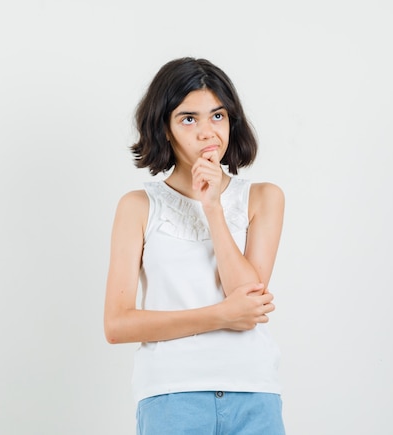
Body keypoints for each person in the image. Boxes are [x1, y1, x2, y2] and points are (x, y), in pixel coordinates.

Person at [103, 57, 286, 434]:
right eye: (189, 119)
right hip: (171, 397)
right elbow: (117, 324)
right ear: (165, 129)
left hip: (253, 393)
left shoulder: (264, 198)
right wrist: (220, 315)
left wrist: (213, 207)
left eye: (217, 117)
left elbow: (246, 300)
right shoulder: (138, 207)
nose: (207, 132)